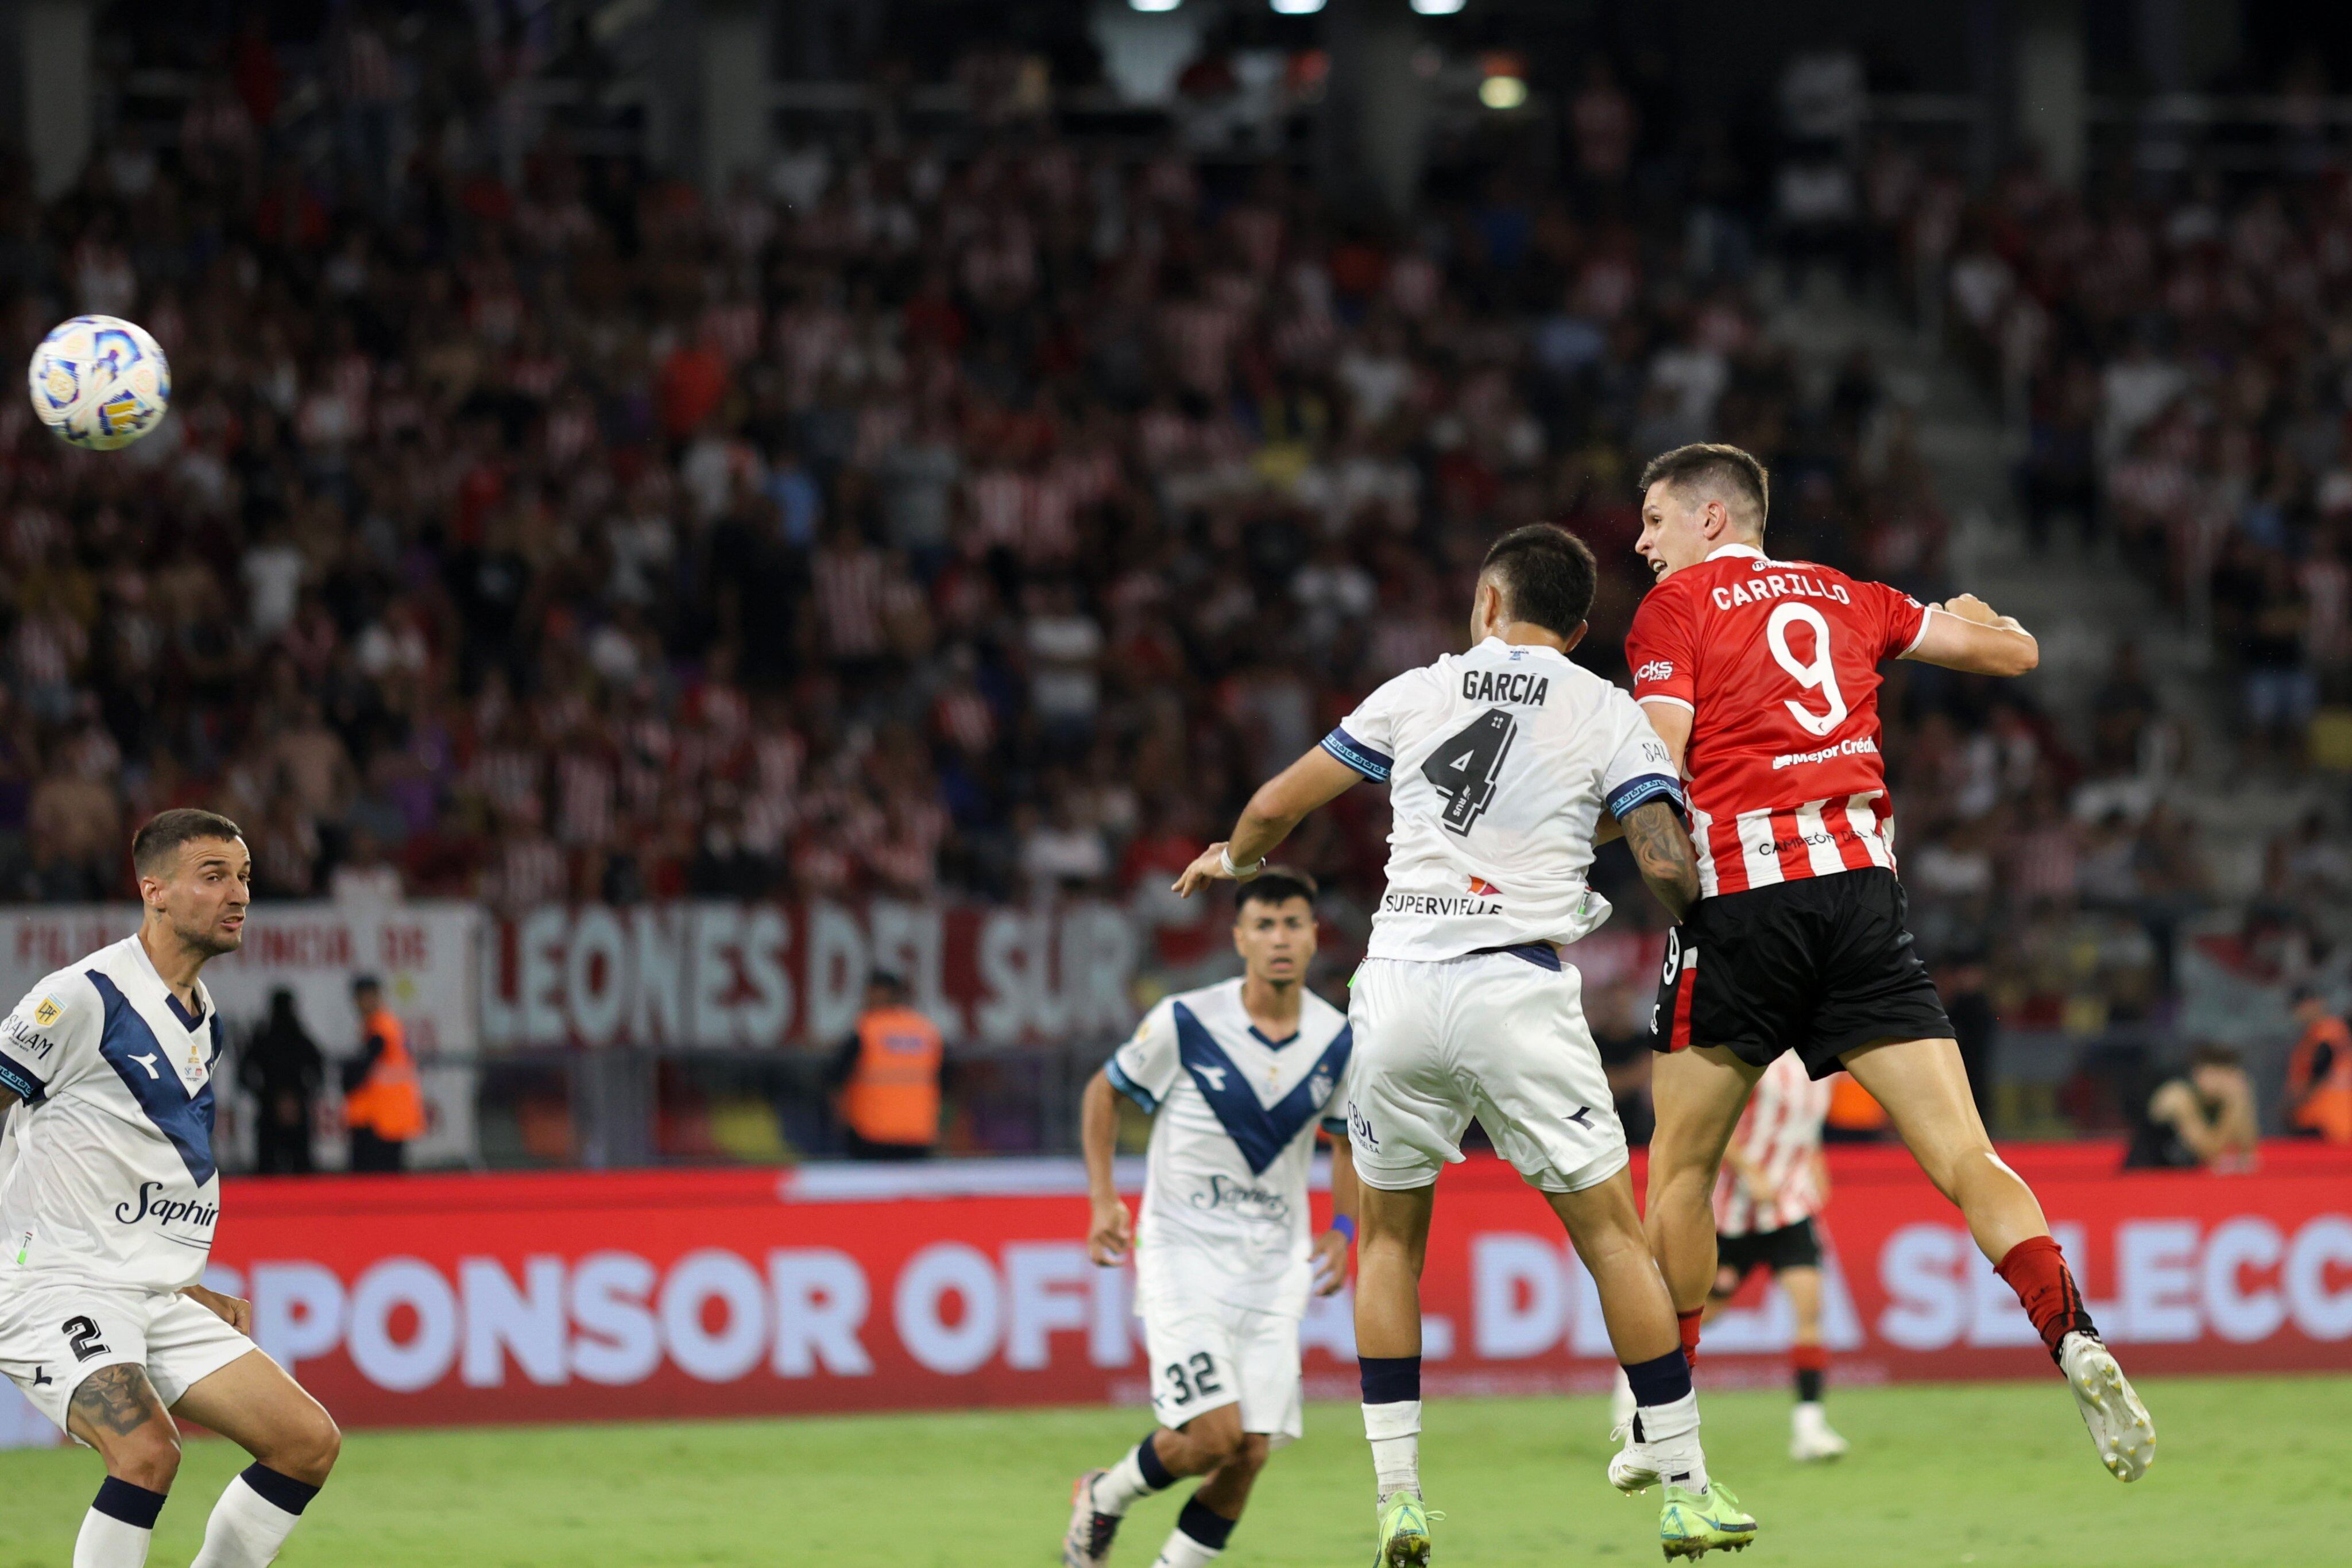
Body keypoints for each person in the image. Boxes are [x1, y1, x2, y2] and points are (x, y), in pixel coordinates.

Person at [1173, 524, 1755, 1564]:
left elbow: (1273, 807)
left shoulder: (1414, 691)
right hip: (1513, 988)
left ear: (1487, 601)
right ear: (1578, 629)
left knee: (1390, 1243)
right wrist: (1698, 913)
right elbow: (1664, 851)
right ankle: (1685, 1487)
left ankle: (1398, 1495)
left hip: (1394, 986)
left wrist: (1232, 856)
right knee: (1614, 1239)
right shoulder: (1603, 708)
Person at [1625, 442, 2155, 1484]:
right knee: (1969, 1158)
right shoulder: (1853, 594)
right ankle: (2074, 1333)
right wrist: (1985, 610)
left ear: (1713, 519)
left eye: (1653, 519)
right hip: (1865, 900)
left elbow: (1653, 758)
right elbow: (2016, 656)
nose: (1641, 542)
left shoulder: (1674, 611)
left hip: (1744, 901)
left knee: (1680, 1171)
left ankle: (1665, 1418)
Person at [0, 808, 341, 1567]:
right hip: (52, 1283)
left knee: (305, 1441)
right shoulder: (82, 997)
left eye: (246, 877)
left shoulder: (205, 1019)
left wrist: (181, 1283)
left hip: (144, 1287)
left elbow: (125, 1163)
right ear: (153, 889)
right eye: (214, 876)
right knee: (147, 1452)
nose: (239, 895)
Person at [1063, 870, 1357, 1568]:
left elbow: (1348, 1140)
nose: (1279, 939)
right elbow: (1103, 1094)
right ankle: (1104, 1496)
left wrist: (1344, 1230)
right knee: (1215, 1433)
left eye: (1293, 924)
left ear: (1315, 936)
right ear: (1239, 939)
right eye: (1264, 925)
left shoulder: (1338, 1038)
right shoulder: (1186, 1020)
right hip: (1183, 1253)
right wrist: (1103, 1199)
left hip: (1273, 1265)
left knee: (1249, 1450)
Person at [824, 972, 947, 1160]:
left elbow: (836, 1079)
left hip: (871, 1135)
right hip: (918, 1134)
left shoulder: (866, 1030)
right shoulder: (926, 1031)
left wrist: (842, 1123)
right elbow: (947, 1081)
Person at [2125, 1045, 2258, 1171]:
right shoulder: (2177, 1095)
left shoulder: (2219, 1102)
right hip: (2145, 1180)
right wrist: (2234, 1105)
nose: (2224, 1082)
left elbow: (2247, 1152)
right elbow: (2209, 1151)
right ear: (2199, 1073)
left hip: (2182, 1180)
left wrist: (2243, 1101)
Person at [341, 976, 423, 1173]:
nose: (364, 1003)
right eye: (362, 998)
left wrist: (347, 1080)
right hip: (386, 1115)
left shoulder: (381, 1027)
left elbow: (367, 1061)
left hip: (381, 1117)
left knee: (377, 1180)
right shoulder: (381, 1025)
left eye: (368, 997)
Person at [238, 990, 322, 1175]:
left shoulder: (265, 1038)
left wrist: (263, 1095)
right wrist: (303, 1095)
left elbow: (244, 1074)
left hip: (273, 1106)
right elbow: (319, 1068)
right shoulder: (297, 1037)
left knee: (270, 1170)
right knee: (299, 1170)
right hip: (291, 1106)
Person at [2284, 986, 2352, 1143]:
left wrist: (2294, 1103)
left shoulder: (2326, 1033)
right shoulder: (2320, 1033)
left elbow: (2321, 1067)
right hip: (2331, 1121)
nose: (2300, 1012)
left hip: (2321, 1119)